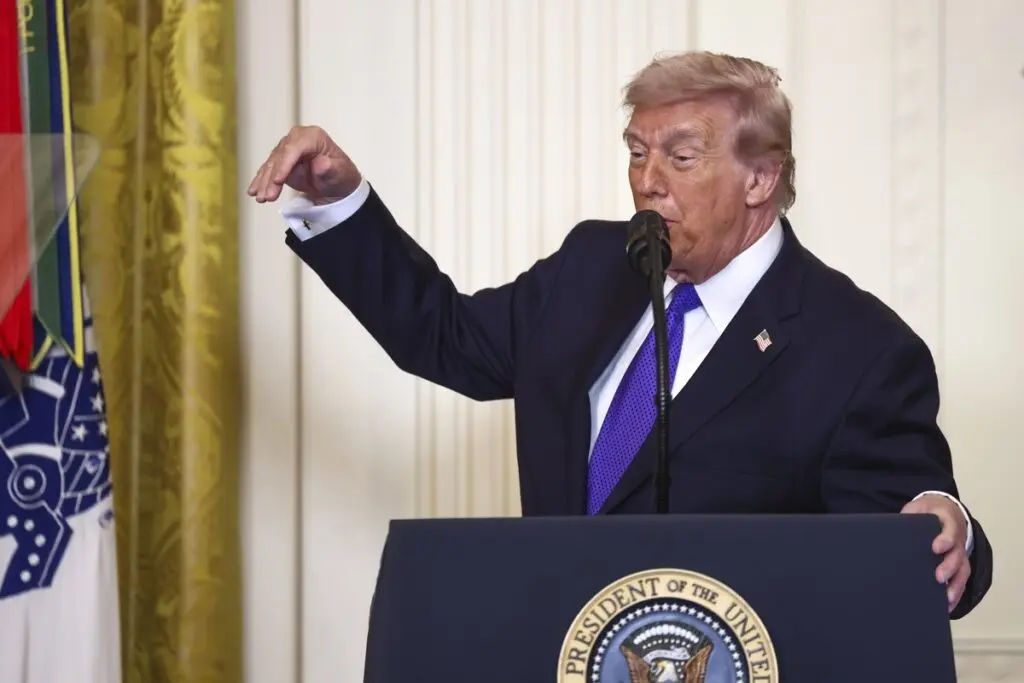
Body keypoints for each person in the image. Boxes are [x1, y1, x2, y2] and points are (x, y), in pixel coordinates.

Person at [247, 50, 992, 618]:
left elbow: (917, 541)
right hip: (556, 647)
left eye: (681, 156)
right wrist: (340, 203)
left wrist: (949, 525)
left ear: (760, 179)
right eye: (637, 152)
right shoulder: (592, 266)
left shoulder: (858, 348)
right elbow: (443, 337)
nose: (647, 180)